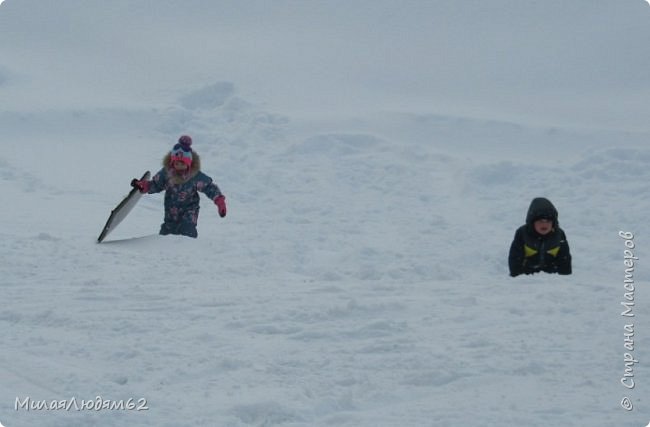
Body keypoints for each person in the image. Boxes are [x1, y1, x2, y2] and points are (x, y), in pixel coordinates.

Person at [131, 135, 227, 238]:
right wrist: (144, 186)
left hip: (190, 209)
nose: (179, 166)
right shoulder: (167, 173)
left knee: (187, 229)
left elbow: (209, 187)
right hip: (171, 210)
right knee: (167, 232)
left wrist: (220, 201)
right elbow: (156, 185)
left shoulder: (195, 176)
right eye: (177, 163)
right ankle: (162, 250)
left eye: (183, 164)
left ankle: (189, 248)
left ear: (189, 163)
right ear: (172, 162)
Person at [508, 197, 571, 277]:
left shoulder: (558, 235)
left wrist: (565, 277)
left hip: (552, 278)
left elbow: (564, 258)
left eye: (548, 221)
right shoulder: (523, 234)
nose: (544, 224)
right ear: (532, 222)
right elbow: (515, 257)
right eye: (540, 221)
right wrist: (517, 276)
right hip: (527, 277)